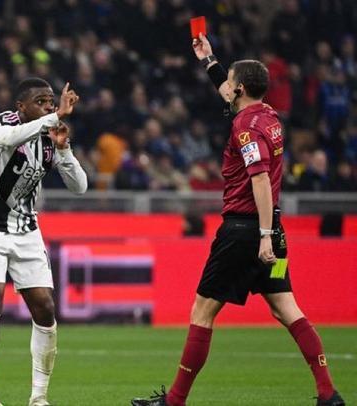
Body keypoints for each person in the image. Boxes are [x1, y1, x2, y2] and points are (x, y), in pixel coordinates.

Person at [131, 34, 344, 406]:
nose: (226, 87)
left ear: (240, 89)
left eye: (230, 81)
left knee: (202, 311)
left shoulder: (245, 128)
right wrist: (209, 60)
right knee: (286, 307)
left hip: (245, 232)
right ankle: (328, 393)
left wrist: (262, 235)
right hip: (274, 230)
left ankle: (175, 401)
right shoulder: (269, 116)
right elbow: (230, 95)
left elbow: (258, 178)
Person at [0, 78, 86, 406]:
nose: (48, 107)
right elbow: (7, 138)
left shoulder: (49, 139)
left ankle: (39, 397)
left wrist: (64, 149)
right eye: (41, 102)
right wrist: (55, 116)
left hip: (26, 229)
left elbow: (80, 187)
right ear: (21, 106)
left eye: (51, 102)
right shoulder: (1, 122)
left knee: (45, 306)